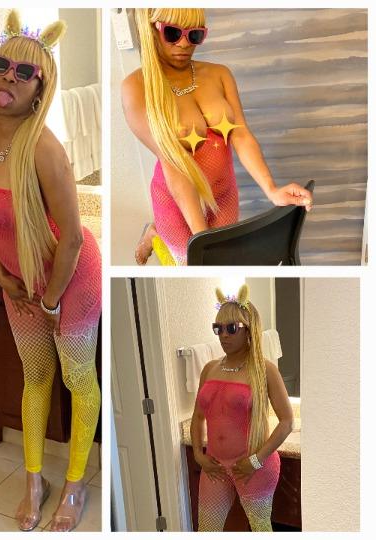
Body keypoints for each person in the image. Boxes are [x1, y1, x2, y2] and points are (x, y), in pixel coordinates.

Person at [0, 9, 101, 532]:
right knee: (36, 375)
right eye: (2, 65)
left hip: (70, 282)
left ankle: (76, 483)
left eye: (24, 72)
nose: (9, 78)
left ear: (41, 86)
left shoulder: (44, 149)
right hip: (18, 285)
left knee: (78, 378)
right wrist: (0, 272)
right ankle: (33, 481)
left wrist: (51, 300)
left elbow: (74, 238)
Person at [121, 8, 313, 265]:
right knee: (189, 264)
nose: (184, 44)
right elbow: (173, 162)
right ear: (153, 29)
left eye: (195, 35)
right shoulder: (136, 88)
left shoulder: (220, 74)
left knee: (223, 260)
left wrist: (272, 190)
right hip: (175, 200)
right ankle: (155, 232)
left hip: (223, 193)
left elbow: (241, 135)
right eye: (173, 33)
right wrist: (202, 239)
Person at [190, 284, 293, 531]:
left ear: (248, 329)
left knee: (260, 529)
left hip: (254, 467)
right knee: (207, 530)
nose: (223, 335)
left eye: (231, 328)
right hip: (215, 467)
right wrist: (198, 455)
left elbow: (287, 422)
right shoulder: (209, 369)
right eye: (218, 328)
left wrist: (256, 461)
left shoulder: (265, 370)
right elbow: (197, 417)